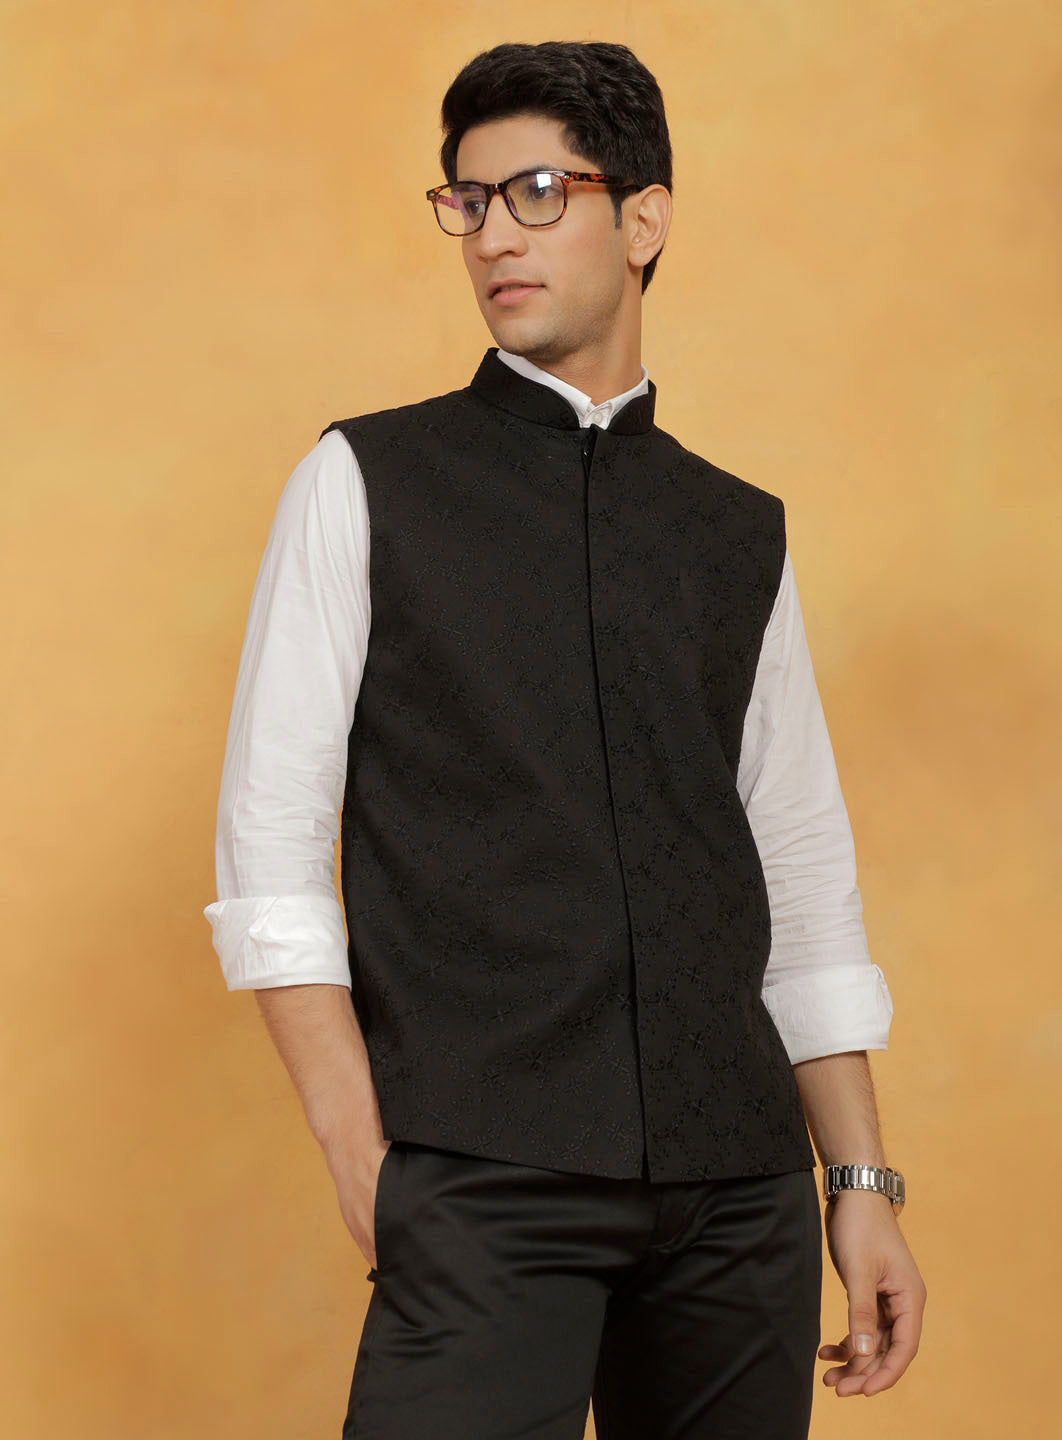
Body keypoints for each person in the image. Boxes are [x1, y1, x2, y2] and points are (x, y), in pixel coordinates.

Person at [203, 39, 926, 1440]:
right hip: (483, 1180)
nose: (494, 237)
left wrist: (860, 1186)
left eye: (539, 192)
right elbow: (271, 853)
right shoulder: (364, 480)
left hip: (737, 1196)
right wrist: (367, 1163)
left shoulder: (736, 531)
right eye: (468, 201)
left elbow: (800, 873)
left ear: (644, 219)